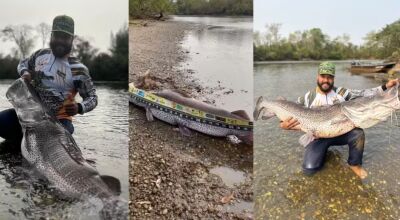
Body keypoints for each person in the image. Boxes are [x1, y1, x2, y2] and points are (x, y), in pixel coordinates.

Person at [281, 62, 398, 179]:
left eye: (329, 77)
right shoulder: (307, 98)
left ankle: (355, 164)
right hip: (317, 138)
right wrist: (283, 125)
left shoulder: (342, 92)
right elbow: (287, 113)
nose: (326, 80)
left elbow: (363, 94)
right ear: (317, 76)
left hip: (340, 133)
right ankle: (321, 153)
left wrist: (386, 86)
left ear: (333, 78)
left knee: (357, 133)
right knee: (310, 170)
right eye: (323, 76)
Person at [0, 15, 97, 144]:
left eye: (65, 37)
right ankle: (24, 141)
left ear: (72, 39)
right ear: (51, 36)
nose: (60, 40)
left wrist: (79, 107)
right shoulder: (40, 55)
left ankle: (31, 141)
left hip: (59, 120)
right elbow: (22, 64)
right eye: (57, 36)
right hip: (30, 115)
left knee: (57, 146)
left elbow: (92, 98)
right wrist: (25, 72)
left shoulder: (78, 69)